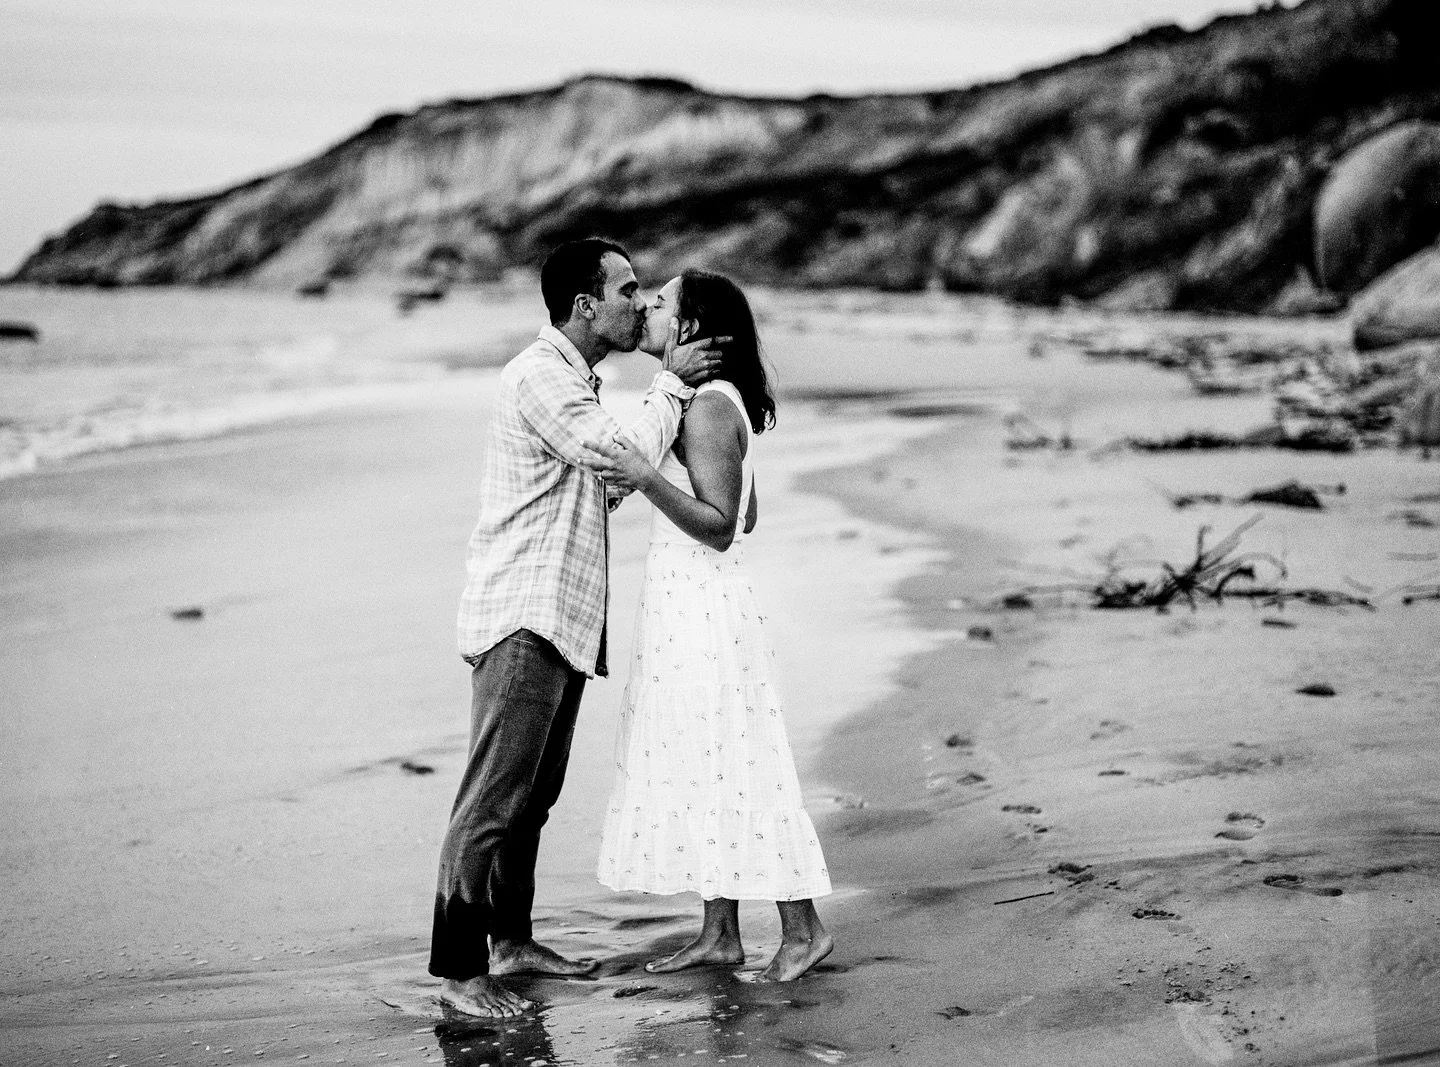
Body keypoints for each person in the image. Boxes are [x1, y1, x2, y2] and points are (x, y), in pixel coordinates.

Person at [431, 239, 724, 1018]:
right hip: (523, 616)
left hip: (559, 619)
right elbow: (616, 454)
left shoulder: (575, 383)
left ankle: (512, 942)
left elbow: (605, 484)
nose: (639, 303)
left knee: (532, 798)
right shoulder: (537, 376)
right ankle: (461, 973)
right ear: (586, 305)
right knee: (492, 801)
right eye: (629, 290)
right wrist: (671, 384)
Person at [583, 269, 834, 982]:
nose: (648, 310)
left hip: (705, 608)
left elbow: (723, 528)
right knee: (709, 758)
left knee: (743, 759)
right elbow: (747, 510)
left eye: (661, 302)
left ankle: (804, 928)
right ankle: (719, 932)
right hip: (688, 602)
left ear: (692, 328)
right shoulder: (706, 406)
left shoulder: (707, 411)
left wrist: (646, 473)